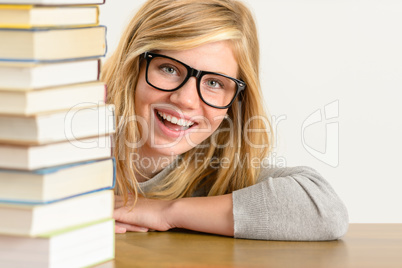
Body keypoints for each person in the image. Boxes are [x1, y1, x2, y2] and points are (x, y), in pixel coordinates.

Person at [101, 0, 348, 240]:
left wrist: (167, 211)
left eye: (214, 83)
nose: (185, 100)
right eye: (169, 68)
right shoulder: (80, 130)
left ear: (235, 101)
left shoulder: (219, 172)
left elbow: (326, 212)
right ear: (133, 65)